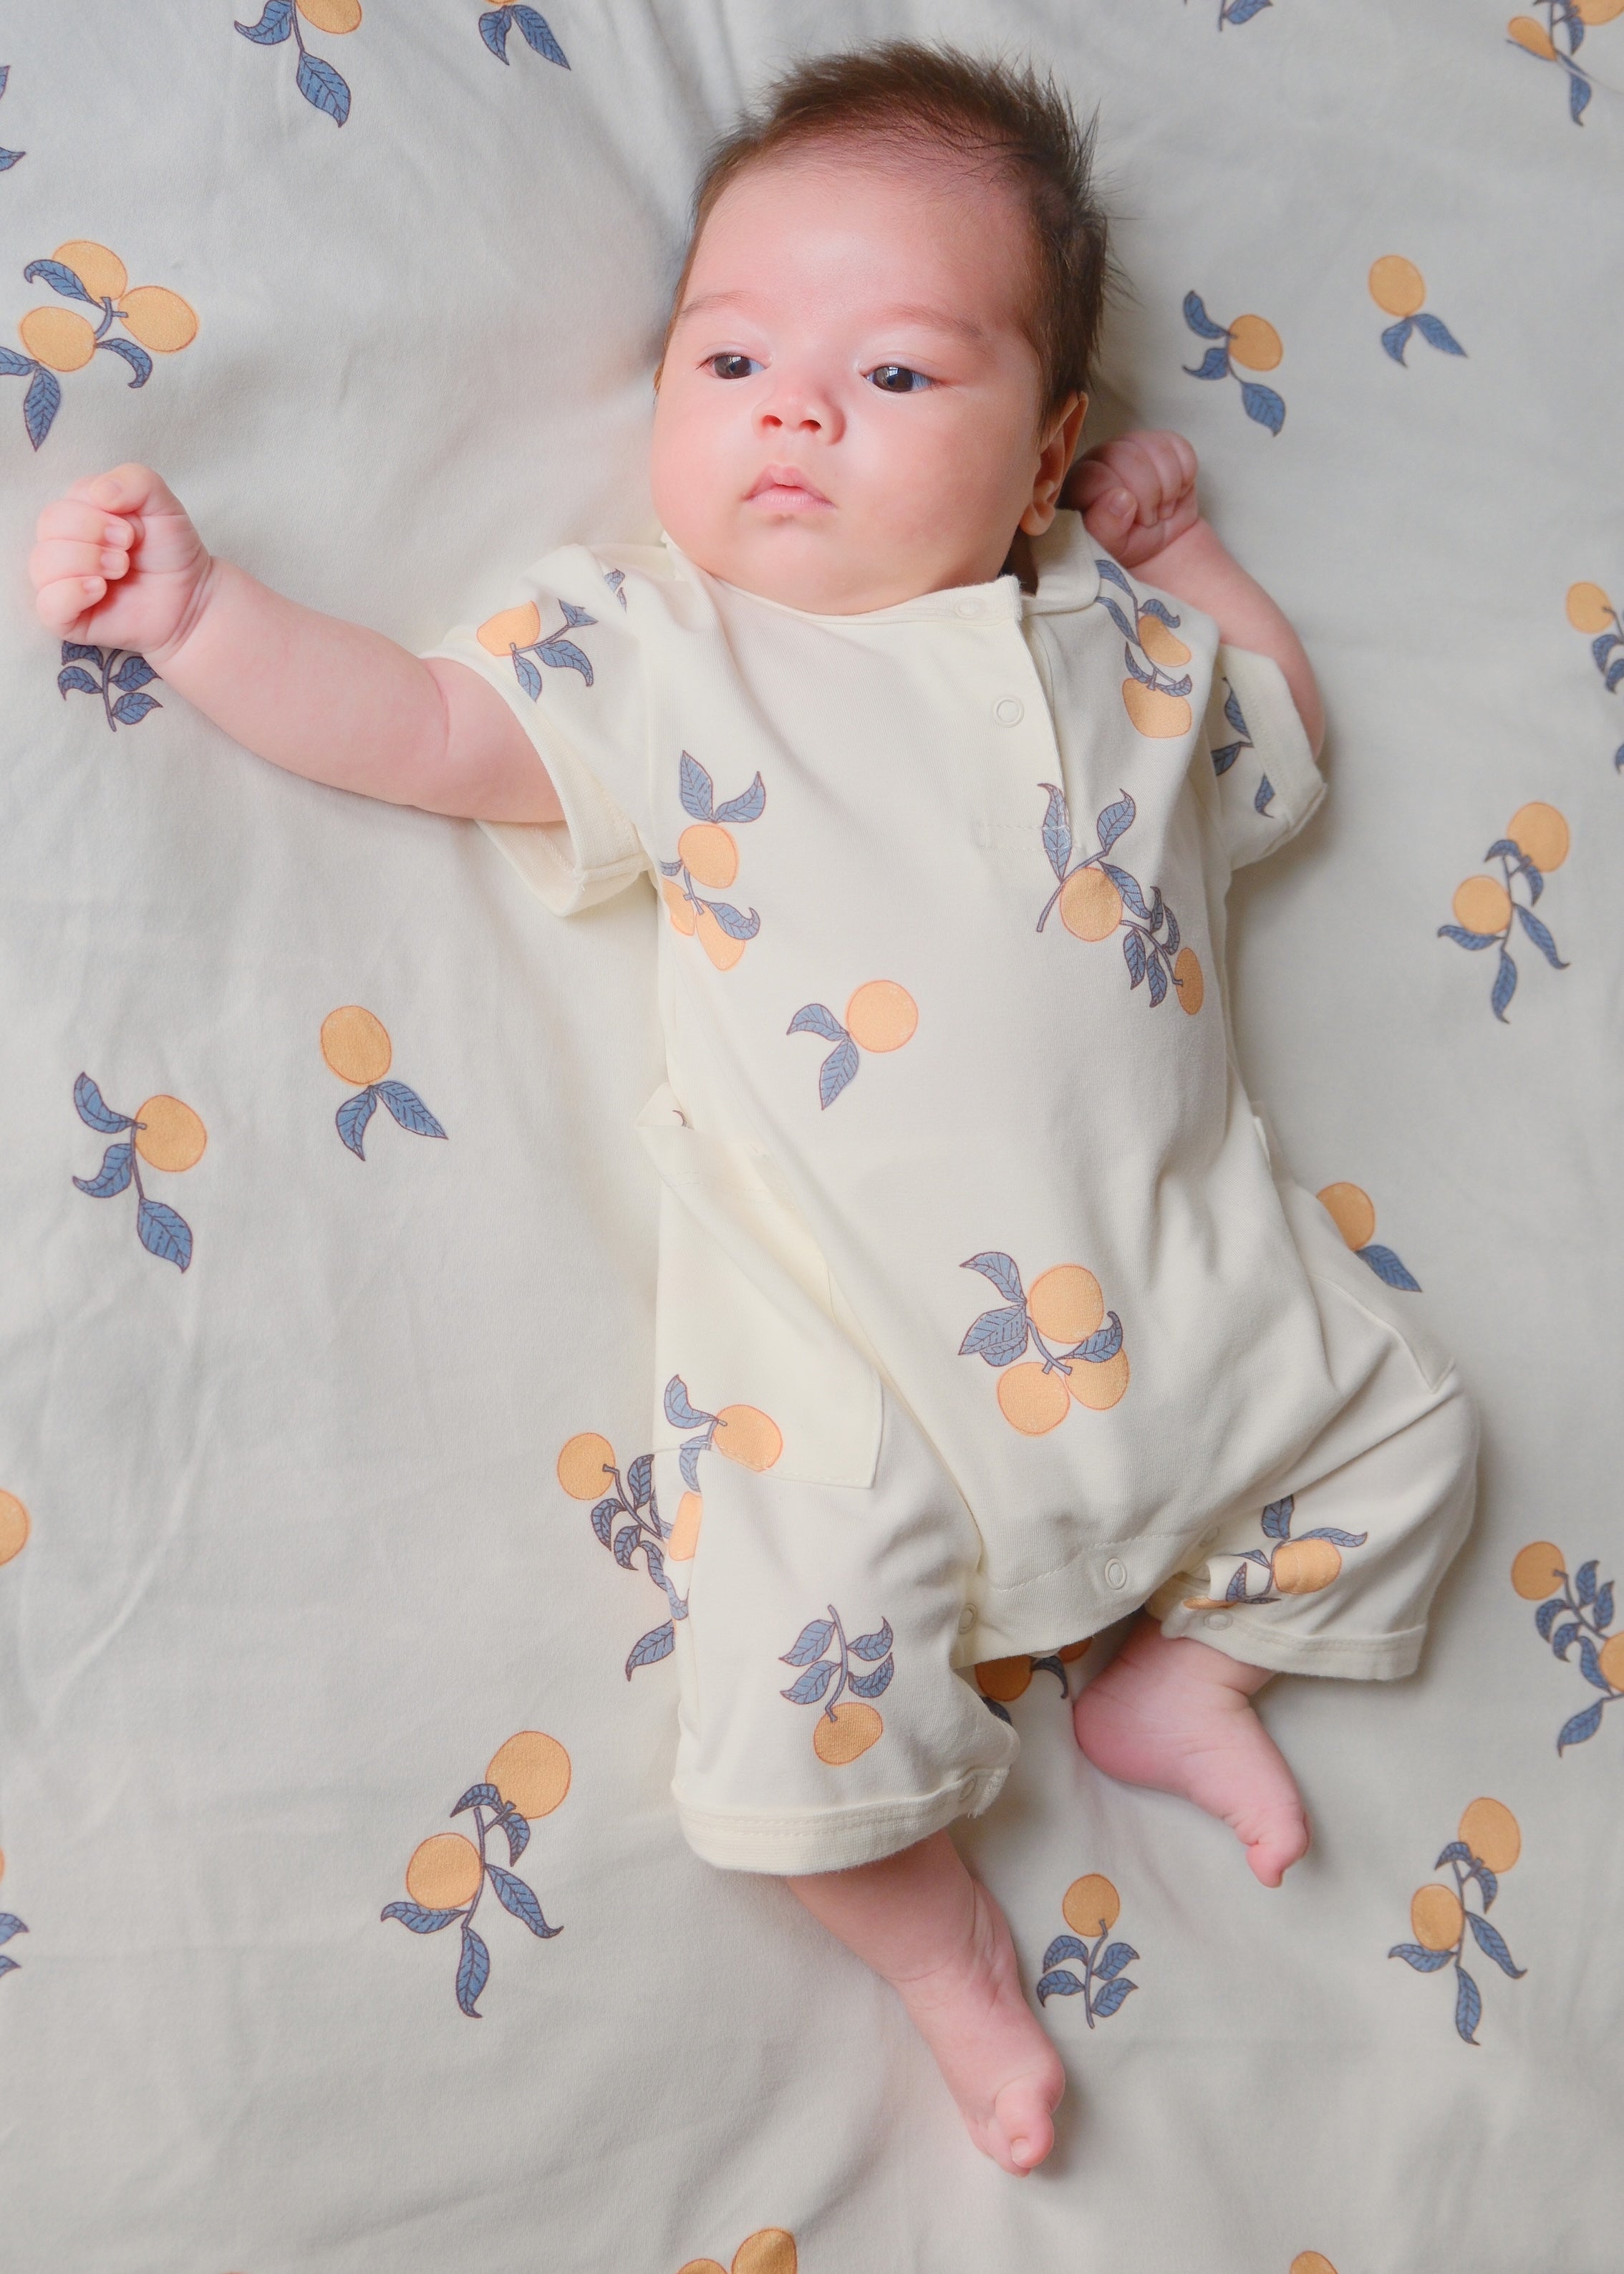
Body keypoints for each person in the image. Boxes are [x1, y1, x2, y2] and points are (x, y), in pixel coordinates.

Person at [28, 43, 1475, 2177]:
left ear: (1046, 448)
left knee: (1419, 1429)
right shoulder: (674, 654)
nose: (796, 410)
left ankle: (1192, 1679)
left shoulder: (1119, 654)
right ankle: (943, 1967)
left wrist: (1189, 569)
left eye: (899, 378)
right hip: (854, 1365)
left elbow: (1281, 745)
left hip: (1192, 1298)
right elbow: (432, 726)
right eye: (731, 357)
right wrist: (209, 617)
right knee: (787, 1746)